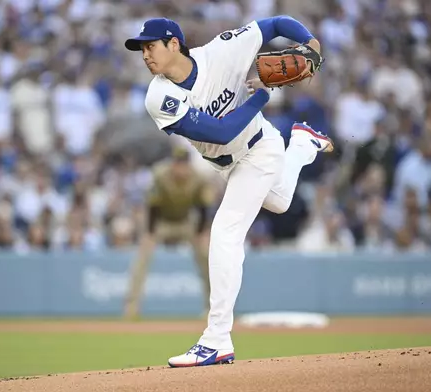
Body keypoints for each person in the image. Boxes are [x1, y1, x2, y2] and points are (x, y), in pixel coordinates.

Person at [124, 15, 332, 367]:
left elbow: (276, 24)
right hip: (229, 162)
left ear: (174, 43)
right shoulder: (159, 97)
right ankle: (302, 144)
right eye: (141, 49)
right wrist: (260, 98)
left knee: (224, 232)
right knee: (279, 202)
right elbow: (219, 133)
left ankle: (216, 339)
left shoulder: (222, 52)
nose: (145, 55)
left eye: (150, 46)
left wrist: (311, 42)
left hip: (259, 148)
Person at [124, 145, 213, 320]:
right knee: (142, 256)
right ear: (173, 163)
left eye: (183, 164)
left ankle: (212, 308)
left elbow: (203, 208)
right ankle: (131, 307)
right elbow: (152, 206)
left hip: (186, 221)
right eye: (177, 163)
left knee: (206, 256)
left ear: (188, 165)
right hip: (161, 221)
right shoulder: (160, 175)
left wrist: (201, 233)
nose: (180, 168)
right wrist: (149, 233)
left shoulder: (199, 178)